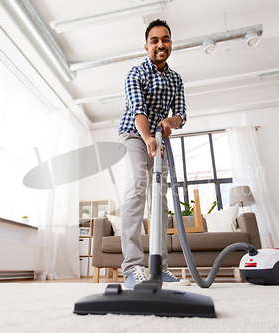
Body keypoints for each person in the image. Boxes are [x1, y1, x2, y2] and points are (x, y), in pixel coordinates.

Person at [117, 19, 190, 289]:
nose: (161, 44)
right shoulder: (135, 73)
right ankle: (132, 267)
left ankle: (160, 268)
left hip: (158, 139)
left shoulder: (176, 79)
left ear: (170, 43)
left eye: (166, 39)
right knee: (137, 187)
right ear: (146, 45)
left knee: (159, 199)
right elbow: (137, 110)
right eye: (155, 40)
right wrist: (147, 137)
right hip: (135, 135)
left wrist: (169, 124)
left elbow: (181, 114)